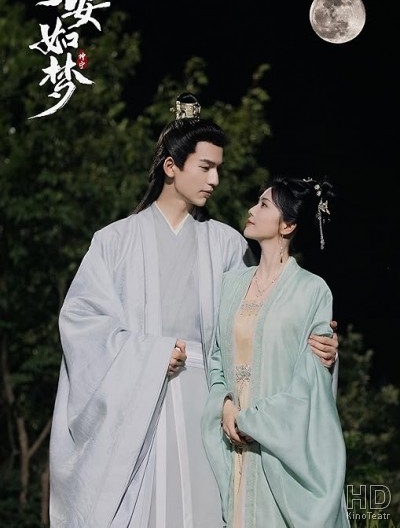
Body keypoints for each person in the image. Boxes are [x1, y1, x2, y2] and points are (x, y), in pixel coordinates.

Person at [48, 94, 339, 528]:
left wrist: (315, 336)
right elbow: (81, 323)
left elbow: (259, 321)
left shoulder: (226, 244)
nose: (215, 179)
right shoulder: (114, 241)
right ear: (171, 167)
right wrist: (148, 354)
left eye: (218, 168)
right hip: (137, 405)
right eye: (205, 167)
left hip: (209, 403)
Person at [201, 175, 350, 528]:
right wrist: (224, 405)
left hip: (278, 452)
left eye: (264, 205)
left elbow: (310, 383)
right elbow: (216, 356)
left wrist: (252, 421)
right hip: (230, 444)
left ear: (288, 225)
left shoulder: (313, 291)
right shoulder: (231, 284)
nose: (252, 210)